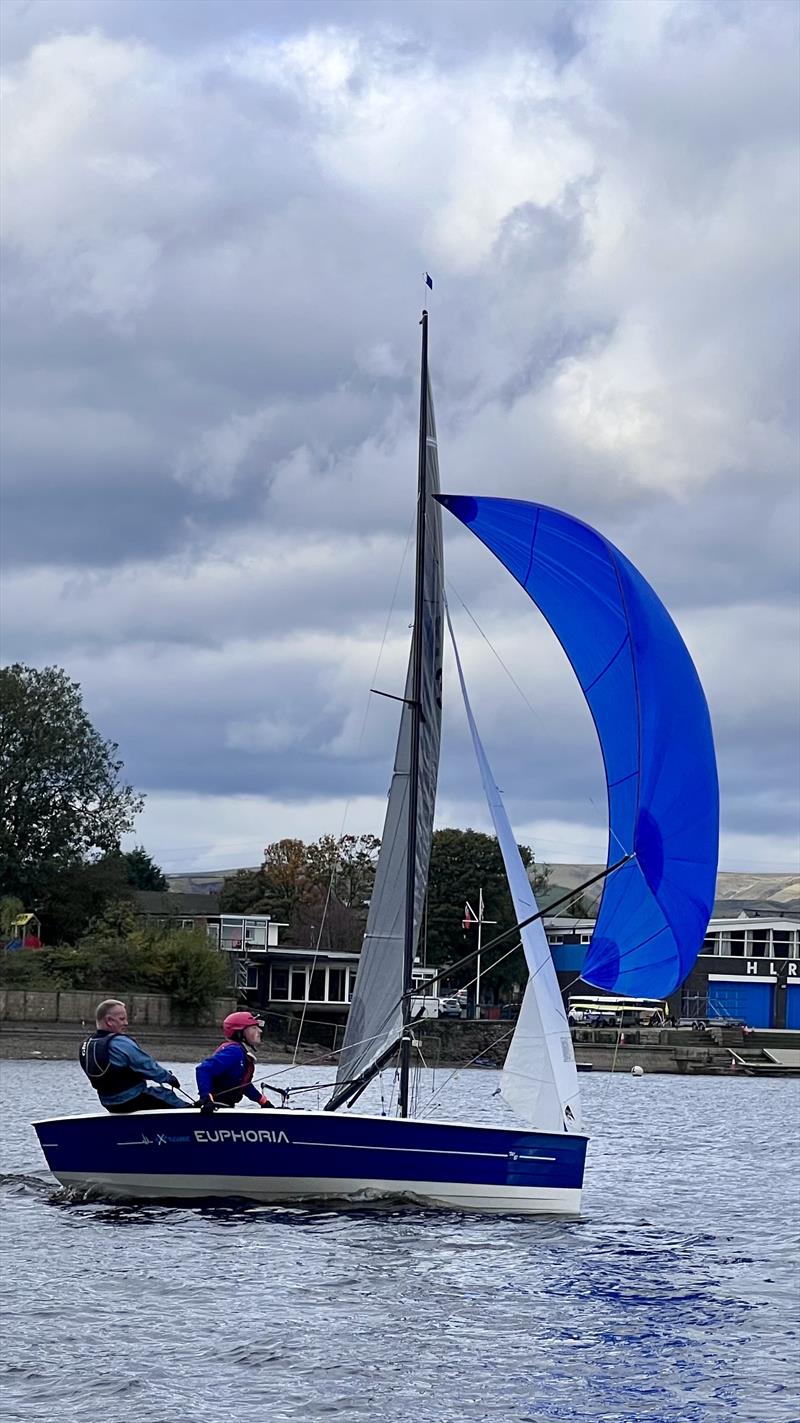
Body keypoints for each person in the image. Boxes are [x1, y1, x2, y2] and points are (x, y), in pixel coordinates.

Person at [79, 999, 184, 1113]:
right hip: (132, 1099)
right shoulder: (119, 1043)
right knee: (165, 1095)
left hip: (108, 1103)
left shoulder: (86, 1045)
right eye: (122, 1019)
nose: (126, 1023)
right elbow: (147, 1066)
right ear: (109, 1021)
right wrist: (169, 1078)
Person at [195, 1011, 275, 1113]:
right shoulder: (234, 1052)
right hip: (215, 1108)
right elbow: (203, 1069)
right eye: (254, 1028)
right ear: (240, 1032)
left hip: (224, 1107)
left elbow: (243, 1084)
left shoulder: (240, 1052)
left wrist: (264, 1102)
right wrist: (205, 1097)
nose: (260, 1031)